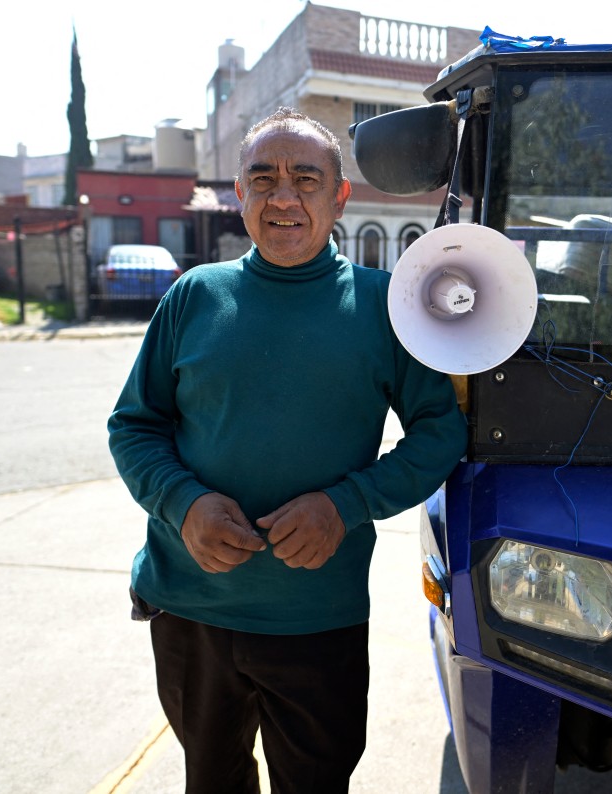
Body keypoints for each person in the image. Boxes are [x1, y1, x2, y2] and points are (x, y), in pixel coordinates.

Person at [108, 107, 467, 794]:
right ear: (239, 194)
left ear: (340, 197)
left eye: (306, 179)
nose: (283, 198)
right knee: (212, 780)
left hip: (316, 616)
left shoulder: (384, 306)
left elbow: (439, 432)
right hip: (189, 606)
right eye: (263, 179)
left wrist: (346, 505)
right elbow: (134, 425)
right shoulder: (194, 296)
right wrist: (183, 505)